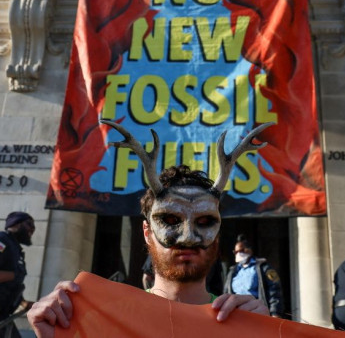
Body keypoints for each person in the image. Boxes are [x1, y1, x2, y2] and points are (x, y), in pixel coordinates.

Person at [27, 120, 275, 337]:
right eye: (169, 220)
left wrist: (266, 334)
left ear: (218, 233)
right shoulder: (106, 321)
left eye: (204, 222)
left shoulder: (244, 324)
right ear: (147, 232)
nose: (188, 237)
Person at [224, 234, 284, 317]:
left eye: (241, 251)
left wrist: (275, 313)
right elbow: (226, 293)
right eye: (236, 252)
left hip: (257, 312)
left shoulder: (263, 268)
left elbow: (274, 291)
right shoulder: (233, 271)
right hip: (236, 314)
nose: (238, 254)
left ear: (249, 250)